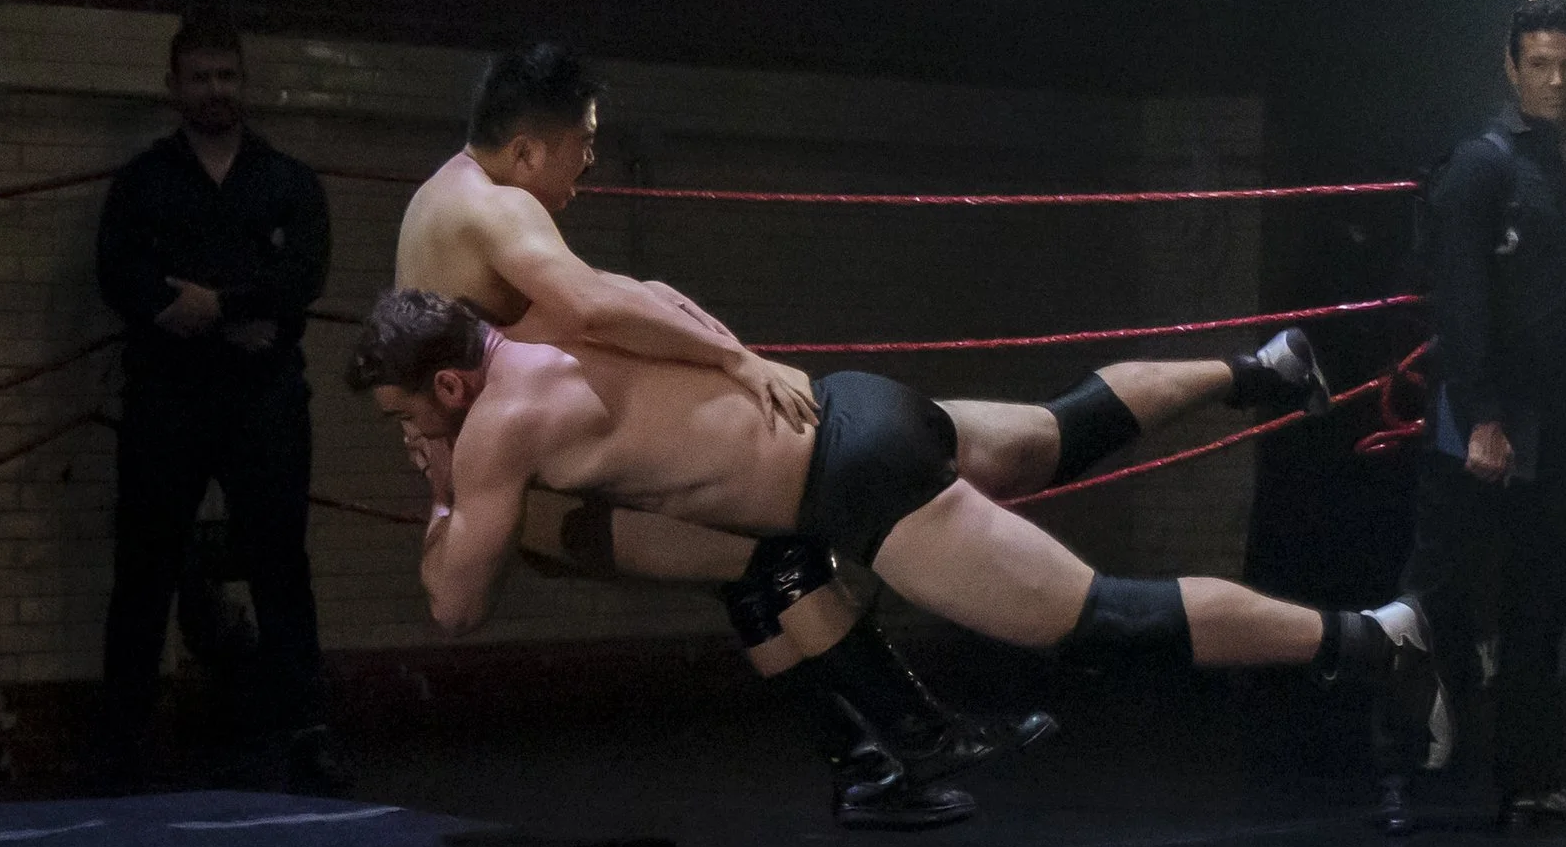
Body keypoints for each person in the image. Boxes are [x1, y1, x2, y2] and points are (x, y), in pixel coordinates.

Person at [395, 43, 1332, 828]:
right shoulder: (495, 212)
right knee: (798, 555)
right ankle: (894, 751)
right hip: (759, 444)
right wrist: (734, 360)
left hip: (798, 442)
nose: (591, 166)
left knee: (1030, 450)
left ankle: (884, 758)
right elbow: (589, 306)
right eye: (583, 146)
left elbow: (593, 307)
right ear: (527, 149)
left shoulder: (453, 206)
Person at [345, 290, 1435, 723]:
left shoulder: (496, 427)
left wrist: (442, 484)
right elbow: (648, 299)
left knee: (1100, 619)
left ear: (450, 384)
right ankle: (1261, 368)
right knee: (1059, 432)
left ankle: (1374, 637)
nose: (412, 432)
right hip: (853, 405)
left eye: (409, 415)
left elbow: (455, 608)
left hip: (855, 485)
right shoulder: (548, 319)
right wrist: (738, 356)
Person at [1386, 0, 1566, 833]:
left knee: (1541, 605)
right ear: (1511, 67)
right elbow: (1459, 304)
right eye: (1540, 65)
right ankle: (1400, 773)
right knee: (1434, 597)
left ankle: (1529, 780)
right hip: (1482, 414)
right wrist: (1482, 417)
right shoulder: (1480, 167)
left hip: (1555, 420)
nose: (1556, 81)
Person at [96, 18, 342, 792]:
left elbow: (303, 278)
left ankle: (306, 733)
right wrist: (237, 316)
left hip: (261, 401)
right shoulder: (142, 183)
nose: (215, 90)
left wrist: (212, 304)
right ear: (173, 86)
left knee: (281, 565)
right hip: (167, 399)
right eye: (200, 78)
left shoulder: (287, 182)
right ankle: (123, 740)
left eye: (226, 76)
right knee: (144, 566)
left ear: (245, 82)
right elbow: (118, 276)